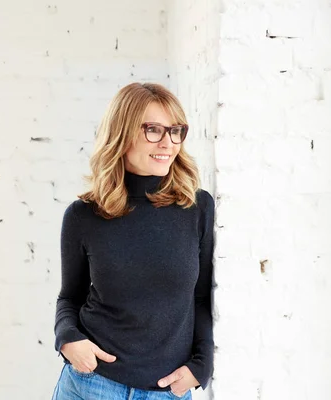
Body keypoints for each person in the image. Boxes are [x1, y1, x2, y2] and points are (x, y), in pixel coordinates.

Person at [51, 82, 215, 400]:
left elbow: (200, 298)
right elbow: (69, 298)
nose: (168, 142)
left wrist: (201, 365)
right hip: (91, 385)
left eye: (176, 130)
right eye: (153, 130)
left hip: (166, 391)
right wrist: (68, 339)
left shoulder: (197, 208)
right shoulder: (83, 216)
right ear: (122, 133)